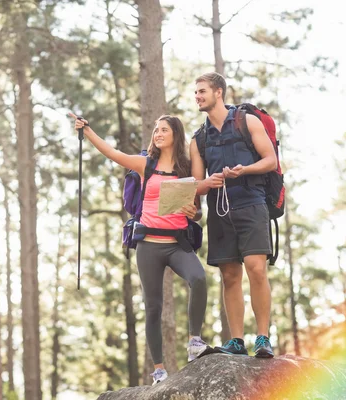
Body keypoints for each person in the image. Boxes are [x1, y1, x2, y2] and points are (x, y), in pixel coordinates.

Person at [70, 112, 207, 385]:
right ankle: (158, 370)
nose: (158, 134)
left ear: (175, 135)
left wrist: (193, 212)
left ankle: (195, 341)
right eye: (156, 129)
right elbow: (112, 152)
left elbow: (197, 211)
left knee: (199, 278)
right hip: (149, 247)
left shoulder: (186, 168)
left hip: (177, 244)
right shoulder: (146, 164)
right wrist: (88, 131)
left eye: (164, 130)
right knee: (153, 308)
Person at [190, 72, 277, 358]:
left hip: (252, 202)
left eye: (202, 91)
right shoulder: (199, 139)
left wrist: (245, 169)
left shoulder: (246, 121)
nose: (197, 96)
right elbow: (196, 184)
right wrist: (208, 183)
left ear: (218, 92)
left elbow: (270, 160)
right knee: (229, 275)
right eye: (196, 92)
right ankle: (237, 341)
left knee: (256, 268)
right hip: (219, 208)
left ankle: (263, 338)